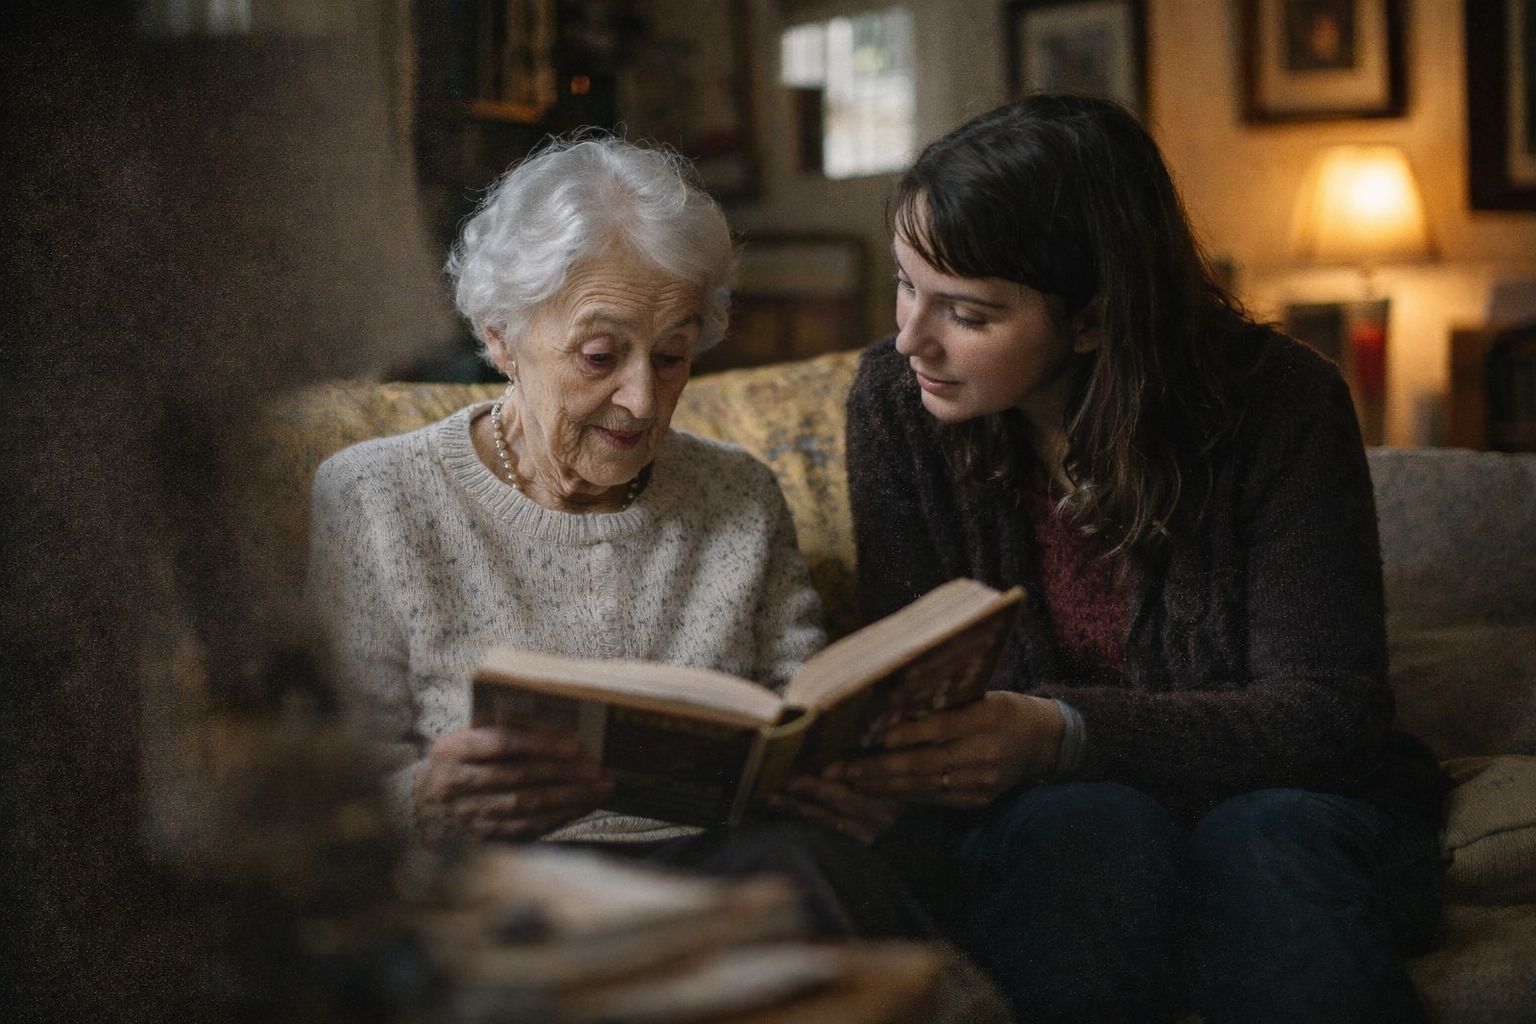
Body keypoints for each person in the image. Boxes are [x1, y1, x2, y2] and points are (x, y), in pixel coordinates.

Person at [822, 95, 1446, 1022]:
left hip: (1283, 799)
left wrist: (1060, 730)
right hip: (1053, 821)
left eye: (968, 313)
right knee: (1089, 827)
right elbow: (910, 677)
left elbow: (1330, 712)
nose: (912, 337)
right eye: (906, 285)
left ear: (1092, 320)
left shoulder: (1284, 406)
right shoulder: (895, 403)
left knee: (1263, 841)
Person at [305, 135, 926, 938]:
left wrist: (836, 776)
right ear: (500, 336)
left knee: (821, 879)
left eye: (671, 356)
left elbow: (800, 711)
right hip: (510, 880)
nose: (641, 400)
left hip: (732, 865)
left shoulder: (739, 493)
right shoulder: (375, 495)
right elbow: (331, 800)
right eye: (600, 356)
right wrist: (426, 799)